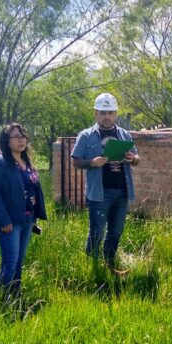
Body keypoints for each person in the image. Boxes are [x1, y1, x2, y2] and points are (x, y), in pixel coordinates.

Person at [71, 93, 140, 275]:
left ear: (116, 114)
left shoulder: (124, 134)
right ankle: (91, 268)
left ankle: (109, 265)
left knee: (115, 232)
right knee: (97, 233)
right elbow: (76, 162)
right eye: (103, 112)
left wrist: (133, 158)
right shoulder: (86, 135)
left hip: (122, 192)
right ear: (96, 113)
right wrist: (92, 162)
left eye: (110, 112)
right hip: (99, 193)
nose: (106, 116)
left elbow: (136, 158)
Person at [0, 123, 47, 304]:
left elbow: (32, 192)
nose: (21, 139)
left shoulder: (26, 162)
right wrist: (4, 219)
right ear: (6, 141)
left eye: (23, 136)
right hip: (10, 221)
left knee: (19, 261)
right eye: (16, 136)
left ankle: (16, 296)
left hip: (27, 220)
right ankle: (2, 300)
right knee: (10, 262)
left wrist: (34, 218)